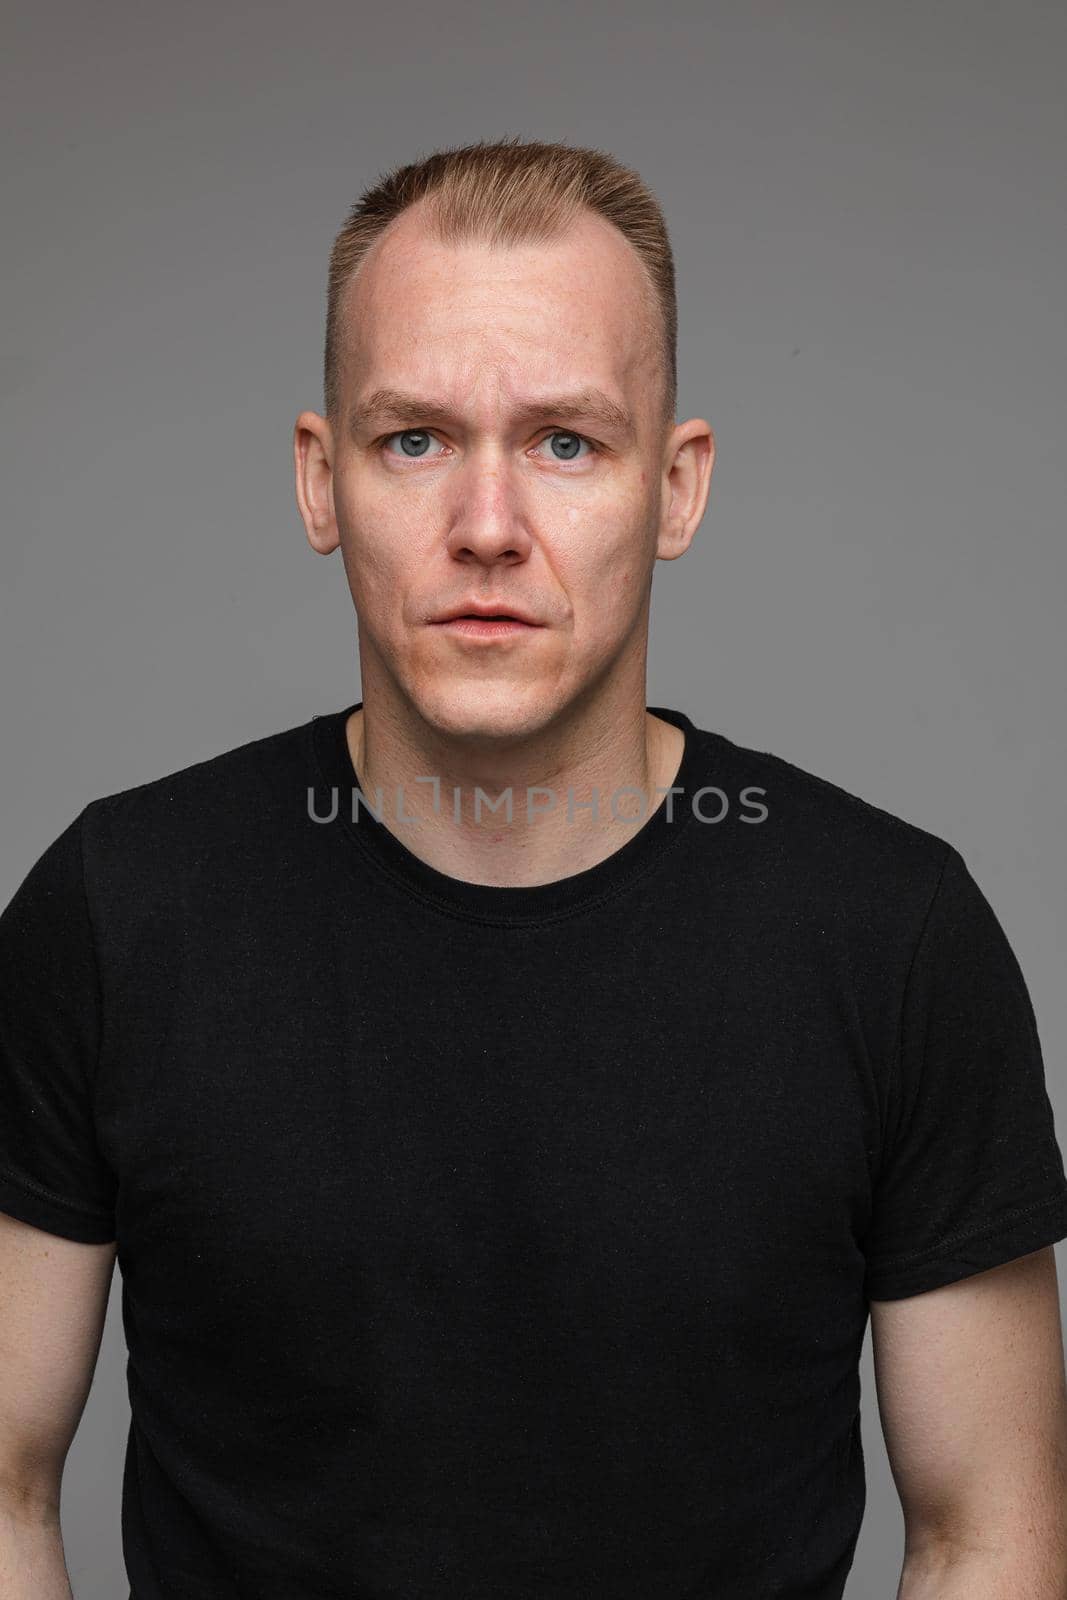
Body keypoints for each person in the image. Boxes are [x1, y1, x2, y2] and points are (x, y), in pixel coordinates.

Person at [1, 137, 1065, 1600]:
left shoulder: (893, 939)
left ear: (676, 489)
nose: (487, 529)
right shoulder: (117, 914)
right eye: (415, 440)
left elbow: (990, 1531)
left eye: (567, 442)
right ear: (323, 483)